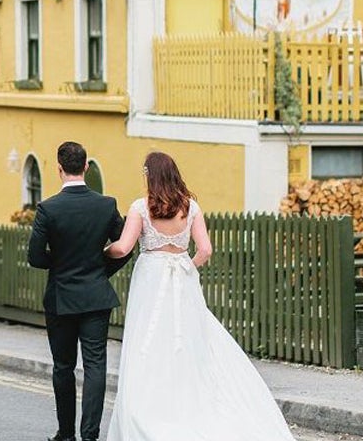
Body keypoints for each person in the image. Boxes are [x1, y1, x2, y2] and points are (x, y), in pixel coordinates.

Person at [104, 151, 296, 441]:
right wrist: (185, 267)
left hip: (151, 276)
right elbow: (205, 250)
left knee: (148, 338)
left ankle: (150, 407)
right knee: (190, 339)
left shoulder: (140, 208)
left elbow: (123, 248)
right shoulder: (190, 207)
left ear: (150, 176)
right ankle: (193, 404)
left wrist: (101, 252)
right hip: (182, 277)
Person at [28, 141, 130, 441]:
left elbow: (35, 257)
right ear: (86, 166)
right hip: (96, 296)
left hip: (61, 297)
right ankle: (90, 436)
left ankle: (66, 434)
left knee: (63, 367)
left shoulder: (48, 208)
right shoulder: (106, 204)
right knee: (96, 366)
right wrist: (100, 269)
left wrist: (59, 264)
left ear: (59, 169)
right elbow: (124, 248)